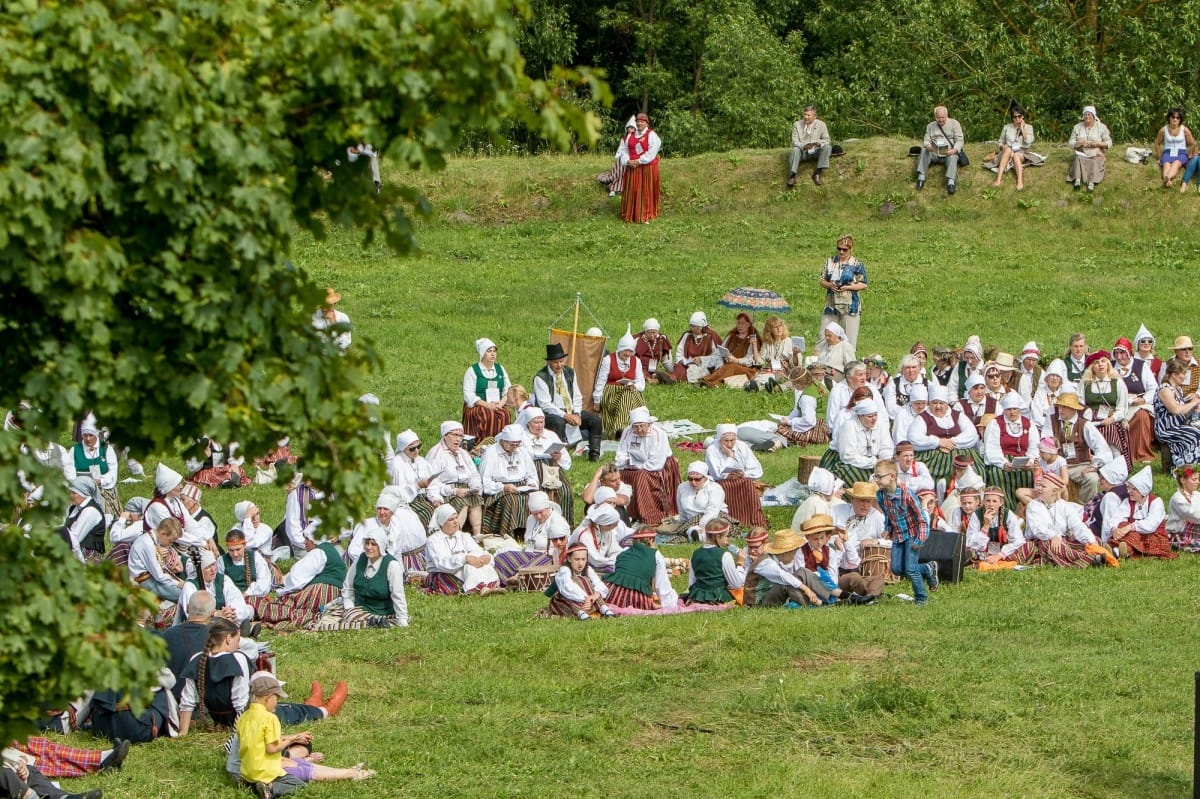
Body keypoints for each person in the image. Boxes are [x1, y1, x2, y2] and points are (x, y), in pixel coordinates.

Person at [312, 526, 408, 629]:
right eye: (367, 543)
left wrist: (402, 619)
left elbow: (398, 594)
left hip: (382, 610)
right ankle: (370, 622)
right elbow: (348, 587)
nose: (369, 547)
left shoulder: (391, 565)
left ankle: (374, 622)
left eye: (373, 544)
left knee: (350, 618)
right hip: (358, 607)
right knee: (328, 618)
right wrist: (349, 607)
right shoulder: (361, 559)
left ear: (381, 546)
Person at [873, 459, 937, 605]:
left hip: (913, 534)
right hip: (898, 535)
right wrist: (888, 529)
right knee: (896, 569)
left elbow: (922, 518)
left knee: (911, 569)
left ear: (892, 476)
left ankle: (921, 599)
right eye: (875, 476)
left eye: (880, 476)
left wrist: (920, 539)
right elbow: (888, 515)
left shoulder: (907, 494)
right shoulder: (880, 496)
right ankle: (928, 568)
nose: (877, 480)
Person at [1011, 473, 1106, 568]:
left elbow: (1077, 526)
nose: (1038, 489)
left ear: (1054, 491)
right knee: (1050, 546)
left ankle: (1097, 553)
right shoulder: (1034, 505)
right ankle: (1090, 558)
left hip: (1062, 540)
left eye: (1043, 486)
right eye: (1039, 486)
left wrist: (1090, 540)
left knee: (1095, 540)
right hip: (1040, 541)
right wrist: (1052, 537)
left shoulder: (1065, 506)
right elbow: (1038, 528)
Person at [253, 534, 347, 629]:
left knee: (286, 607)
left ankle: (258, 610)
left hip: (319, 593)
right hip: (334, 596)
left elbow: (296, 578)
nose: (304, 542)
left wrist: (282, 591)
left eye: (307, 539)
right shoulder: (332, 551)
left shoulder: (318, 552)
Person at [533, 342, 603, 461]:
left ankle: (594, 454)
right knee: (559, 422)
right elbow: (545, 405)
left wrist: (576, 413)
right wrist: (565, 415)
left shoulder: (569, 372)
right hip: (550, 414)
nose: (559, 365)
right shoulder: (541, 377)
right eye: (556, 362)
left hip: (570, 410)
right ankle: (558, 455)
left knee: (595, 420)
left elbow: (576, 395)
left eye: (561, 361)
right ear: (549, 362)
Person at [615, 407, 680, 525]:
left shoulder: (658, 434)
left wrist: (637, 466)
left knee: (640, 477)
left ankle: (646, 515)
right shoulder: (627, 432)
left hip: (656, 466)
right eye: (635, 427)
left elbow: (656, 463)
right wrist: (625, 463)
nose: (639, 430)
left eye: (642, 426)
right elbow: (621, 452)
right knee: (619, 475)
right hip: (634, 464)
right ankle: (627, 513)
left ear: (648, 424)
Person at [423, 504, 503, 595]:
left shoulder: (463, 536)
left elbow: (475, 550)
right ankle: (482, 588)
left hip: (464, 568)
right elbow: (441, 563)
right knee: (469, 567)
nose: (456, 522)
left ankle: (487, 587)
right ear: (442, 522)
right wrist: (465, 559)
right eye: (451, 520)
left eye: (456, 518)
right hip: (444, 572)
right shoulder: (433, 540)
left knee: (479, 566)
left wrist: (484, 557)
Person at [908, 385, 981, 482]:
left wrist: (951, 442)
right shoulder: (922, 418)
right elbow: (913, 438)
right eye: (934, 403)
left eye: (941, 403)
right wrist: (938, 442)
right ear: (929, 404)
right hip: (933, 457)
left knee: (977, 470)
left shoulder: (957, 415)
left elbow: (971, 434)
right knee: (934, 474)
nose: (938, 406)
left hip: (960, 452)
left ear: (947, 404)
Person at [1100, 466, 1175, 560]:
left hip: (1153, 536)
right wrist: (1114, 529)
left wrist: (1130, 527)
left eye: (1133, 489)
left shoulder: (1156, 502)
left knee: (1129, 531)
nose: (1129, 491)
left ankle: (1117, 551)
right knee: (1122, 525)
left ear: (1143, 490)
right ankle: (1119, 551)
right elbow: (1117, 517)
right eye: (1129, 488)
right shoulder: (1128, 502)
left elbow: (1151, 525)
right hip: (1136, 537)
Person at [423, 421, 484, 536]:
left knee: (476, 501)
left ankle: (477, 535)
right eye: (454, 435)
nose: (458, 439)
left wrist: (475, 486)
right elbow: (432, 482)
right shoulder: (436, 454)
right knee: (463, 503)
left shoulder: (462, 453)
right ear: (445, 435)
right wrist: (453, 491)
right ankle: (455, 534)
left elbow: (473, 474)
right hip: (447, 491)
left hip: (465, 489)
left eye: (460, 436)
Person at [478, 423, 539, 537]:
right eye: (511, 445)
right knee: (512, 500)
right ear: (503, 441)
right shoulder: (491, 453)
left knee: (535, 498)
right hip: (499, 489)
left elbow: (531, 473)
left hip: (521, 486)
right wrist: (504, 487)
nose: (514, 448)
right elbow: (485, 482)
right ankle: (509, 533)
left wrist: (531, 483)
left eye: (517, 444)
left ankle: (531, 532)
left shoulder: (522, 451)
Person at [491, 491, 565, 583]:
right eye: (535, 513)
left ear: (548, 508)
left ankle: (518, 576)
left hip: (549, 557)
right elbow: (529, 541)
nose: (538, 516)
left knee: (542, 560)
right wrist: (524, 555)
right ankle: (505, 581)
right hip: (531, 555)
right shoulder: (531, 519)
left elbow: (562, 545)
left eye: (541, 512)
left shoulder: (557, 521)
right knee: (501, 558)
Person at [174, 548, 254, 631]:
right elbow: (193, 613)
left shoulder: (224, 579)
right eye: (208, 567)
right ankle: (241, 629)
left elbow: (235, 599)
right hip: (200, 626)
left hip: (225, 619)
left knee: (248, 609)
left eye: (213, 565)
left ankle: (234, 626)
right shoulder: (190, 586)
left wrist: (229, 613)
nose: (213, 570)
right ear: (200, 571)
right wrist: (216, 614)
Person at [982, 393, 1038, 509]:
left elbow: (1034, 446)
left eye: (1015, 409)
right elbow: (992, 448)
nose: (1012, 412)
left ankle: (1025, 509)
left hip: (1024, 461)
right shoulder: (995, 424)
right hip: (1002, 460)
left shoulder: (1029, 424)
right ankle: (1006, 508)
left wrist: (1030, 461)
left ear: (1019, 409)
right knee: (998, 474)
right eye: (1008, 410)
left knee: (1029, 474)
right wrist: (1004, 464)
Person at [602, 525, 679, 610]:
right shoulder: (655, 554)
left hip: (613, 593)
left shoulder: (623, 552)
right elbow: (662, 586)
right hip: (636, 598)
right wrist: (670, 604)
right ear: (651, 540)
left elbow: (616, 574)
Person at [705, 423, 766, 528]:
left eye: (732, 440)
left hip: (742, 479)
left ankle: (752, 519)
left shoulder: (742, 447)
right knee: (724, 487)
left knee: (748, 484)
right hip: (721, 482)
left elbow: (757, 470)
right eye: (726, 441)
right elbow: (716, 474)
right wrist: (730, 456)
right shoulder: (712, 450)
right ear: (720, 439)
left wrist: (744, 473)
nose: (729, 444)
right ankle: (732, 519)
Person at [1079, 349, 1131, 469]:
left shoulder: (1117, 382)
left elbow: (1122, 408)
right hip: (1090, 419)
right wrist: (1087, 421)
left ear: (1108, 364)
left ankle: (1116, 466)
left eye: (1103, 361)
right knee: (1090, 431)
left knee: (1110, 430)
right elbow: (1080, 405)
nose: (1100, 364)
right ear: (1092, 367)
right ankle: (1096, 465)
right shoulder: (1085, 384)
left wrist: (1112, 419)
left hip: (1111, 420)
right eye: (1096, 362)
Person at [60, 418, 120, 522]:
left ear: (96, 435)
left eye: (91, 435)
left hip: (102, 488)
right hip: (80, 489)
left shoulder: (106, 448)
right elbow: (69, 469)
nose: (88, 439)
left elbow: (112, 471)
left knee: (106, 516)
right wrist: (78, 483)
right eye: (85, 435)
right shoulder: (75, 450)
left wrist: (101, 481)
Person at [592, 327, 647, 437]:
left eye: (630, 351)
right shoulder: (608, 359)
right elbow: (601, 381)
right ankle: (623, 429)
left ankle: (624, 429)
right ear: (619, 349)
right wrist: (597, 401)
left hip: (631, 393)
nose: (627, 354)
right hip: (612, 394)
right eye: (625, 351)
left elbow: (641, 384)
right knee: (626, 397)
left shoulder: (636, 361)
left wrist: (633, 385)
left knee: (627, 395)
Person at [816, 235, 867, 352]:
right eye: (839, 248)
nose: (841, 251)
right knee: (824, 335)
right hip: (831, 303)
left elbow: (863, 283)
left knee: (849, 338)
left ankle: (848, 364)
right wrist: (830, 285)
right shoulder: (830, 261)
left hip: (850, 305)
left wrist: (848, 287)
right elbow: (822, 280)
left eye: (845, 249)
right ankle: (819, 361)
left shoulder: (856, 264)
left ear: (851, 249)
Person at [1111, 336, 1158, 463]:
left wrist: (1143, 400)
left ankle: (1141, 452)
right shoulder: (1110, 367)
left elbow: (1154, 388)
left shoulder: (1141, 366)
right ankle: (1120, 451)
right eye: (1117, 353)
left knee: (1142, 415)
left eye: (1122, 353)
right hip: (1116, 405)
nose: (1119, 357)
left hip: (1137, 403)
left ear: (1129, 353)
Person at [826, 398, 893, 485]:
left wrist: (885, 461)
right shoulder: (849, 426)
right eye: (870, 416)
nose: (874, 419)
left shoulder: (880, 424)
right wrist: (873, 462)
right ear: (860, 416)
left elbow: (886, 446)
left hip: (874, 462)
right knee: (853, 475)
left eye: (875, 415)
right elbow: (847, 456)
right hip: (848, 463)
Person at [538, 542, 613, 619]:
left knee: (592, 587)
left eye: (583, 559)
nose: (580, 563)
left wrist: (594, 596)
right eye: (577, 559)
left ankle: (605, 610)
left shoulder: (587, 569)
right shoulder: (564, 570)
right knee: (581, 581)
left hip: (587, 600)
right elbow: (568, 588)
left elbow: (599, 584)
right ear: (569, 559)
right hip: (564, 599)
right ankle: (581, 614)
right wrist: (586, 598)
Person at [659, 461, 727, 542]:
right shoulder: (682, 488)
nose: (693, 482)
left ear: (705, 477)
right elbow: (682, 512)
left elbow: (712, 511)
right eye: (690, 479)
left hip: (714, 519)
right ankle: (695, 534)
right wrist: (683, 524)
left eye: (697, 479)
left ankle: (697, 535)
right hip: (690, 522)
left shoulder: (715, 488)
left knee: (715, 527)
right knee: (683, 529)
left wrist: (701, 526)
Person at [462, 337, 511, 441]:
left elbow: (508, 389)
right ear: (483, 353)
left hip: (497, 404)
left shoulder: (500, 368)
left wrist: (501, 403)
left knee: (504, 414)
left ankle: (502, 442)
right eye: (489, 351)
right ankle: (480, 444)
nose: (493, 354)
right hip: (479, 405)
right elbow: (468, 395)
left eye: (494, 351)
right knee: (486, 415)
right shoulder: (472, 371)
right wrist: (488, 405)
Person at [128, 517, 185, 602]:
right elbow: (159, 576)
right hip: (145, 581)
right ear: (163, 533)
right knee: (184, 596)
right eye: (170, 541)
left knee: (186, 589)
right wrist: (178, 583)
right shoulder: (147, 544)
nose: (170, 544)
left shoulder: (152, 540)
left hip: (152, 576)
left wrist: (178, 581)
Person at [1155, 358, 1200, 467]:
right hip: (1166, 428)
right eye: (1183, 374)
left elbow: (1183, 412)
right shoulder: (1164, 389)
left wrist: (1195, 408)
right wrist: (1194, 402)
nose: (1185, 377)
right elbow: (1175, 410)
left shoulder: (1178, 389)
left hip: (1179, 425)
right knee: (1195, 434)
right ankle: (1189, 468)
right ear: (1174, 375)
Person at [686, 520, 743, 605]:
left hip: (697, 596)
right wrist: (740, 564)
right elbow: (736, 584)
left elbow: (691, 583)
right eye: (726, 536)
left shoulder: (695, 553)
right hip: (718, 596)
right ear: (718, 536)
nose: (727, 539)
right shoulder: (725, 555)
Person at [967, 486, 1027, 564]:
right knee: (969, 553)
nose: (991, 504)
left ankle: (998, 559)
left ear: (1000, 503)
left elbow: (1018, 540)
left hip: (1003, 552)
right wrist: (986, 525)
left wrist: (999, 555)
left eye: (994, 501)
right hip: (983, 552)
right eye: (988, 501)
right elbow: (971, 543)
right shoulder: (976, 515)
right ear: (983, 501)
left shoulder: (1008, 515)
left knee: (1028, 547)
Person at [619, 113, 661, 224]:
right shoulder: (630, 135)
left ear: (646, 123)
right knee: (632, 190)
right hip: (632, 166)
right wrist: (628, 161)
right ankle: (631, 214)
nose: (639, 123)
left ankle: (645, 214)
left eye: (642, 121)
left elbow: (652, 151)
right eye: (638, 121)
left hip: (647, 168)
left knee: (645, 191)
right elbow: (624, 150)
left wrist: (639, 161)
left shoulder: (651, 135)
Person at [701, 313, 761, 388]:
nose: (739, 326)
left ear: (749, 324)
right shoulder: (731, 336)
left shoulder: (752, 340)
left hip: (746, 369)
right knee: (726, 366)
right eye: (738, 323)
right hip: (729, 363)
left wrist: (736, 360)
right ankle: (708, 381)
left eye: (742, 323)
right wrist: (724, 358)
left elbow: (750, 360)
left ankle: (710, 382)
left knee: (731, 367)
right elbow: (720, 350)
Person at [916, 105, 964, 194]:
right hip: (934, 151)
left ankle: (951, 182)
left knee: (953, 157)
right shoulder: (930, 126)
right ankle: (921, 177)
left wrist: (954, 150)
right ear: (935, 117)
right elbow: (926, 141)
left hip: (948, 152)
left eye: (943, 117)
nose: (941, 120)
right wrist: (929, 147)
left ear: (947, 116)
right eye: (938, 118)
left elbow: (960, 141)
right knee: (923, 150)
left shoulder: (955, 123)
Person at [61, 477, 106, 562]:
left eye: (74, 493)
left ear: (84, 493)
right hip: (73, 550)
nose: (70, 496)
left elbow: (75, 538)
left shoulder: (90, 511)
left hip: (87, 556)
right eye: (70, 492)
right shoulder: (74, 508)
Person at [1067, 105, 1111, 191]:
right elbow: (1070, 143)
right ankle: (1077, 180)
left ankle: (1091, 182)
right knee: (1078, 159)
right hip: (1082, 152)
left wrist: (1098, 144)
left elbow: (1109, 143)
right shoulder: (1077, 127)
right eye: (1085, 115)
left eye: (1089, 114)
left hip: (1096, 153)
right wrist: (1078, 143)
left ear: (1093, 116)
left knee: (1094, 161)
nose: (1087, 117)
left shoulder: (1101, 127)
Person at [671, 312, 723, 384]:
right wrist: (686, 362)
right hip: (687, 365)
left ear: (702, 327)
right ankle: (673, 379)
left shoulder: (711, 337)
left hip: (706, 366)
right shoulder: (687, 336)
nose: (693, 329)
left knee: (712, 372)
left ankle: (704, 381)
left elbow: (717, 357)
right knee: (679, 368)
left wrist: (702, 359)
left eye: (696, 327)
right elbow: (679, 354)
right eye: (692, 326)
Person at [991, 105, 1034, 190]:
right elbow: (1000, 141)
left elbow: (1029, 141)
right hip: (1008, 151)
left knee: (1016, 155)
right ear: (1012, 118)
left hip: (1021, 152)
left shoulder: (1029, 127)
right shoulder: (1006, 127)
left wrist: (1022, 128)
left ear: (1023, 116)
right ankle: (998, 179)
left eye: (1019, 116)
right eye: (1015, 117)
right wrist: (1002, 146)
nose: (1017, 119)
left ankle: (1020, 181)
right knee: (1008, 150)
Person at [788, 106, 832, 187]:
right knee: (795, 150)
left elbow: (827, 140)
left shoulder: (821, 124)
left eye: (808, 115)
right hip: (802, 153)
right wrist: (804, 146)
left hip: (815, 151)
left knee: (827, 147)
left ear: (814, 116)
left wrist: (818, 143)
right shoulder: (796, 125)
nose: (806, 117)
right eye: (805, 114)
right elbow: (794, 142)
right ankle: (792, 176)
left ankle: (817, 173)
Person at [1154, 108, 1194, 189]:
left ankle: (1167, 178)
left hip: (1181, 152)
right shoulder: (1163, 130)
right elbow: (1157, 144)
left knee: (1176, 163)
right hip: (1168, 151)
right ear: (1169, 118)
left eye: (1177, 117)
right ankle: (1168, 181)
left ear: (1180, 119)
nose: (1175, 119)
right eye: (1173, 117)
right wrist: (1159, 157)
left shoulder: (1184, 129)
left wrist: (1190, 155)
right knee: (1166, 164)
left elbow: (1192, 143)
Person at [1166, 464, 1200, 552]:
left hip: (1194, 526)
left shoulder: (1196, 494)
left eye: (1198, 479)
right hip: (1180, 532)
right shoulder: (1178, 498)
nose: (1198, 482)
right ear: (1183, 480)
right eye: (1194, 479)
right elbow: (1194, 516)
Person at [633, 318, 675, 385]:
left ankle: (654, 380)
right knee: (638, 375)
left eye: (654, 332)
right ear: (645, 332)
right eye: (650, 333)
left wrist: (672, 372)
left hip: (653, 370)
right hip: (640, 368)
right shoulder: (636, 339)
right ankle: (648, 380)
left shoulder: (661, 340)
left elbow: (666, 359)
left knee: (666, 376)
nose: (652, 335)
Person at [603, 116, 637, 196]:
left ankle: (627, 188)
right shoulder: (624, 138)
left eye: (632, 128)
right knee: (619, 172)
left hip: (632, 157)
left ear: (635, 129)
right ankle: (614, 188)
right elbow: (621, 148)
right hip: (623, 157)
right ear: (627, 129)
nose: (630, 130)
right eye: (629, 128)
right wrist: (618, 155)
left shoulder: (637, 138)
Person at [311, 288, 351, 352]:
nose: (324, 308)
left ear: (334, 303)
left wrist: (334, 323)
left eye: (328, 305)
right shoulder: (314, 317)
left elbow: (346, 343)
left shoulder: (343, 317)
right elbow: (315, 341)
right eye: (322, 305)